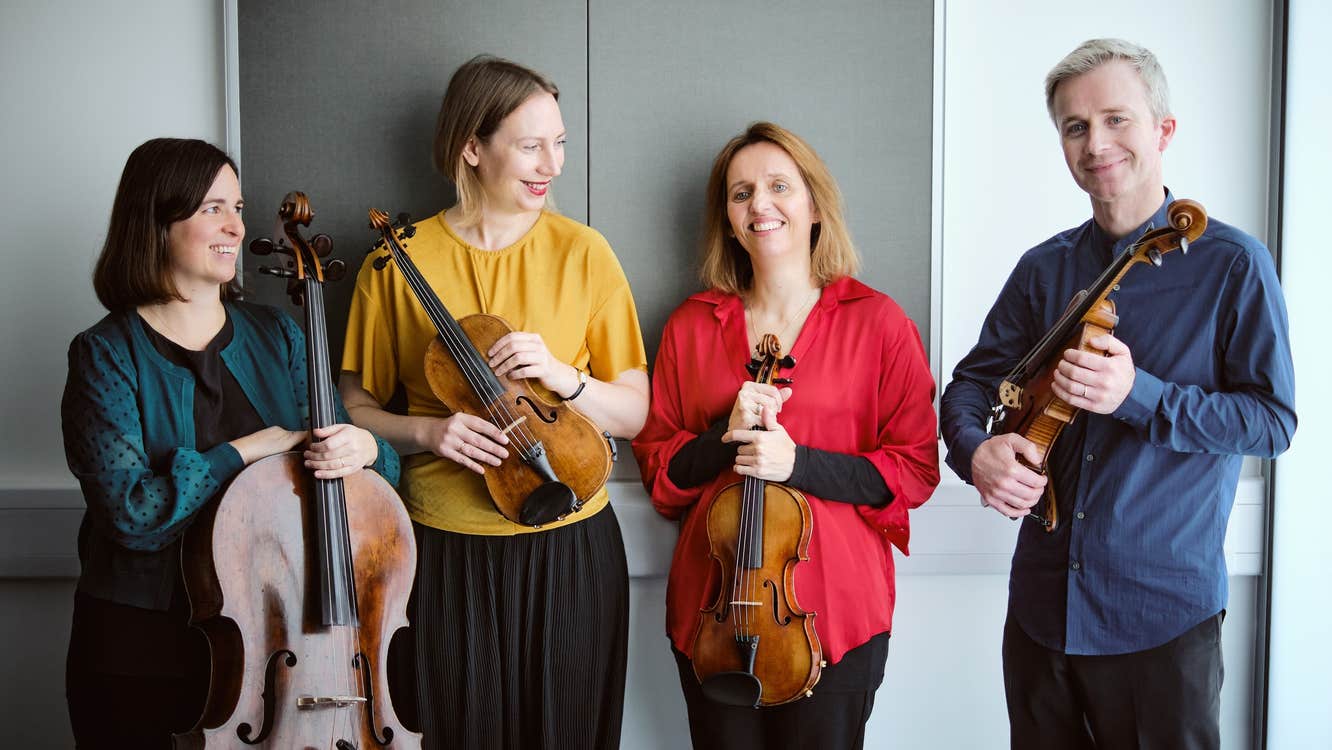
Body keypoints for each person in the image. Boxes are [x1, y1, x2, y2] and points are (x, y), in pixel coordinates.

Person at [940, 39, 1296, 750]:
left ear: (1163, 130)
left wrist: (1139, 394)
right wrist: (975, 452)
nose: (1094, 143)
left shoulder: (1233, 266)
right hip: (1042, 609)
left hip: (1162, 618)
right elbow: (973, 385)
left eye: (1116, 119)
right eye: (1075, 127)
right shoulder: (1044, 269)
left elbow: (1272, 422)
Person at [339, 55, 649, 750]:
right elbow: (354, 407)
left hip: (571, 545)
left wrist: (564, 378)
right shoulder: (397, 260)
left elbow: (634, 414)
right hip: (443, 551)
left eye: (560, 143)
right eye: (532, 144)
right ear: (472, 148)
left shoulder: (586, 253)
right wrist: (425, 429)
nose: (553, 164)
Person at [60, 137, 398, 749]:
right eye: (212, 209)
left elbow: (375, 479)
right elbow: (134, 516)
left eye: (238, 208)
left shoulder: (282, 338)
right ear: (157, 222)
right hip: (139, 649)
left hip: (269, 642)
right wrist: (245, 451)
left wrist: (368, 452)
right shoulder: (104, 355)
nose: (236, 227)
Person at [632, 122, 939, 749]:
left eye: (779, 186)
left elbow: (914, 469)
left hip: (837, 612)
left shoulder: (878, 323)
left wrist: (798, 464)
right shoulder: (691, 326)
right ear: (727, 217)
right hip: (714, 615)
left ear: (815, 205)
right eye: (741, 193)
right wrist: (724, 438)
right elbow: (660, 472)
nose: (760, 205)